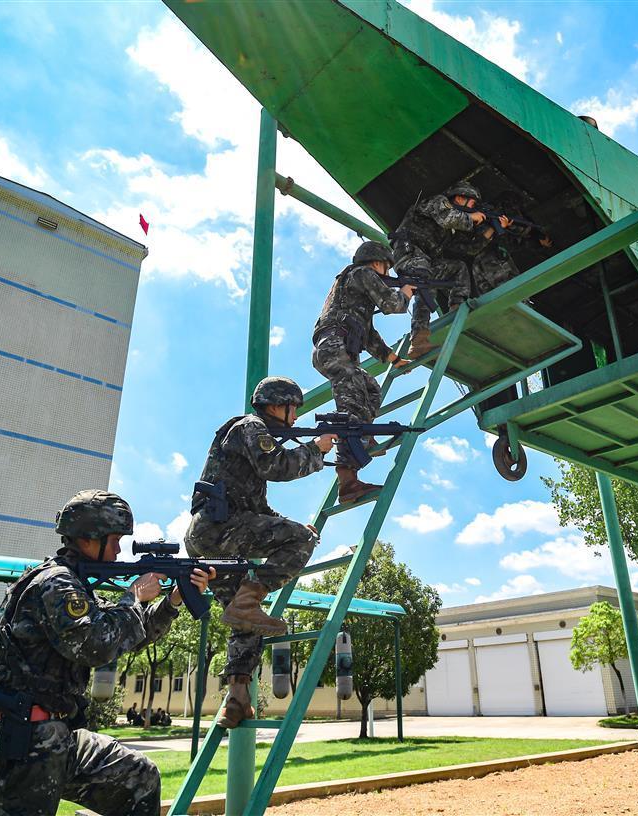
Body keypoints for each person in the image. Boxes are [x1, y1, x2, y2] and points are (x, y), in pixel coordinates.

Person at [0, 489, 214, 816]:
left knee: (138, 776)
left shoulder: (74, 584)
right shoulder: (55, 583)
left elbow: (122, 635)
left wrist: (171, 603)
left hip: (60, 736)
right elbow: (95, 646)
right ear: (89, 538)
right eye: (114, 540)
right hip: (24, 741)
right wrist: (133, 597)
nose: (118, 550)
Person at [184, 376, 336, 729]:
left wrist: (293, 524)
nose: (295, 416)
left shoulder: (248, 437)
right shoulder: (252, 426)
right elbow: (277, 466)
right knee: (299, 543)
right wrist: (318, 450)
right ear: (273, 405)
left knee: (245, 620)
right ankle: (248, 599)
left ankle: (236, 701)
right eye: (291, 407)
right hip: (221, 530)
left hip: (209, 535)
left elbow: (259, 506)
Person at [312, 240, 413, 503]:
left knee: (369, 388)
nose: (387, 275)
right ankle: (348, 482)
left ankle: (362, 440)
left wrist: (390, 357)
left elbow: (366, 332)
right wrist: (406, 293)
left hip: (336, 349)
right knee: (351, 412)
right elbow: (393, 305)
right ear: (377, 262)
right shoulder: (362, 274)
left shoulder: (352, 290)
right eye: (386, 268)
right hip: (336, 348)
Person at [391, 183, 504, 356]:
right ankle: (416, 333)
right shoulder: (439, 202)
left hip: (426, 262)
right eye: (472, 204)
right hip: (410, 252)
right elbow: (447, 217)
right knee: (424, 282)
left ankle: (454, 309)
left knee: (457, 269)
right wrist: (472, 218)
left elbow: (468, 249)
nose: (473, 209)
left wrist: (491, 230)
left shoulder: (450, 230)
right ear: (460, 198)